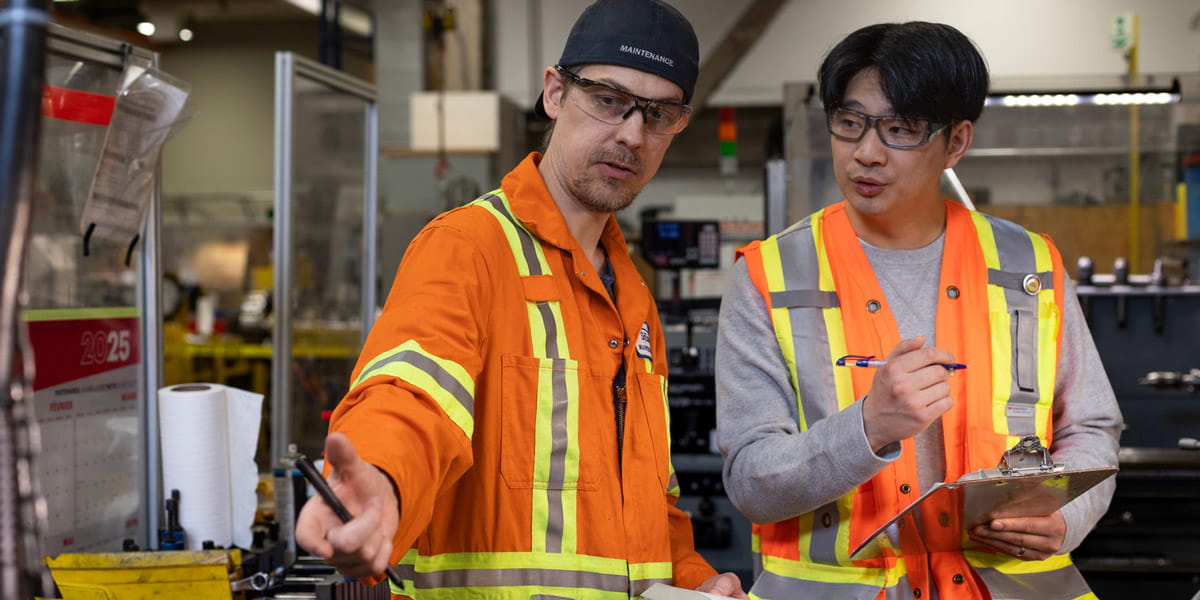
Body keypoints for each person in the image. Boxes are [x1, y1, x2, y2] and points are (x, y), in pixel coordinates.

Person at [294, 1, 748, 598]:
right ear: (555, 94)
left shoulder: (633, 295)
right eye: (609, 99)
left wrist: (699, 582)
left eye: (658, 114)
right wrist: (381, 481)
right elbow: (411, 396)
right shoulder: (468, 247)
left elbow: (649, 506)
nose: (632, 134)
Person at [715, 22, 1123, 600]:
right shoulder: (769, 277)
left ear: (956, 142)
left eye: (900, 130)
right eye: (850, 123)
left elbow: (1089, 425)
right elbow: (752, 480)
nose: (866, 152)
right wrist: (869, 428)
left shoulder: (1028, 266)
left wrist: (1066, 519)